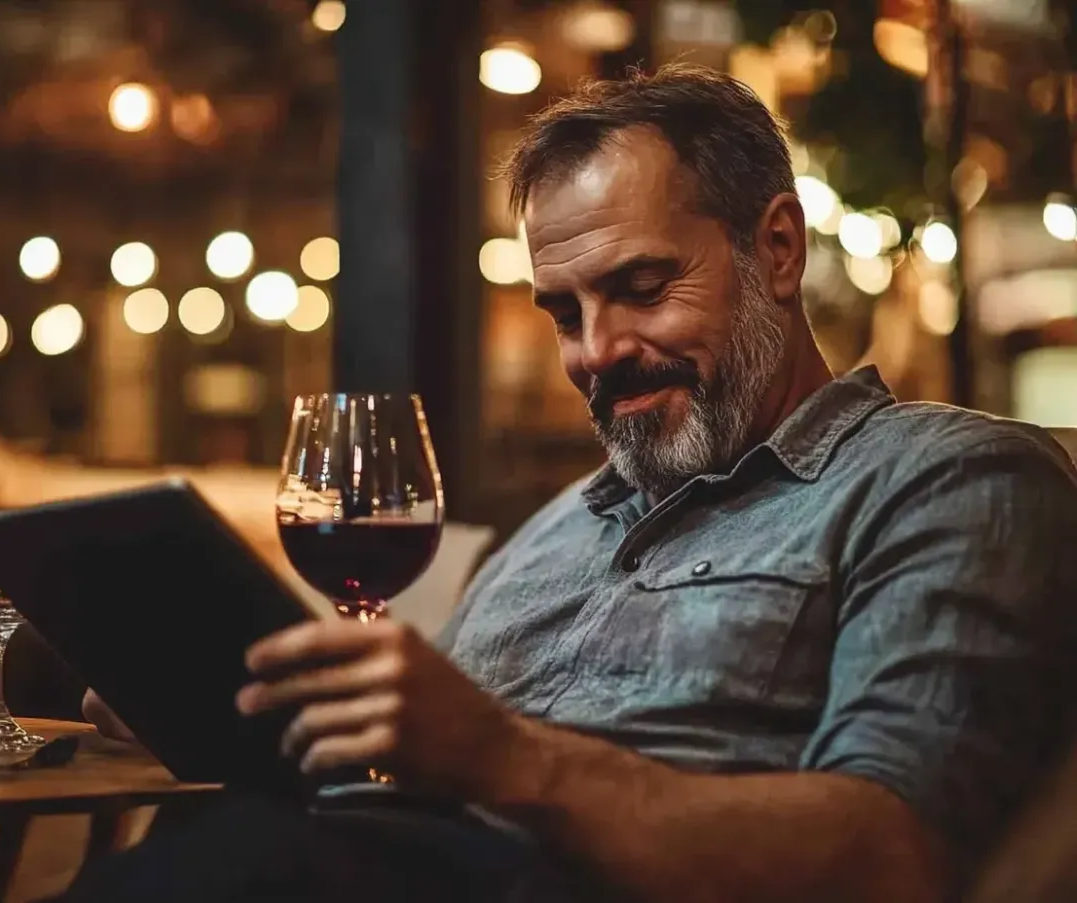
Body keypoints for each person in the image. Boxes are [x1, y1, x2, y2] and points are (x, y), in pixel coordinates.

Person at [71, 64, 1077, 902]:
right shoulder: (556, 527)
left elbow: (891, 853)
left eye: (642, 288)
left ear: (776, 249)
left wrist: (510, 760)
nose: (598, 353)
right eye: (563, 314)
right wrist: (244, 709)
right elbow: (418, 785)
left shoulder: (952, 479)